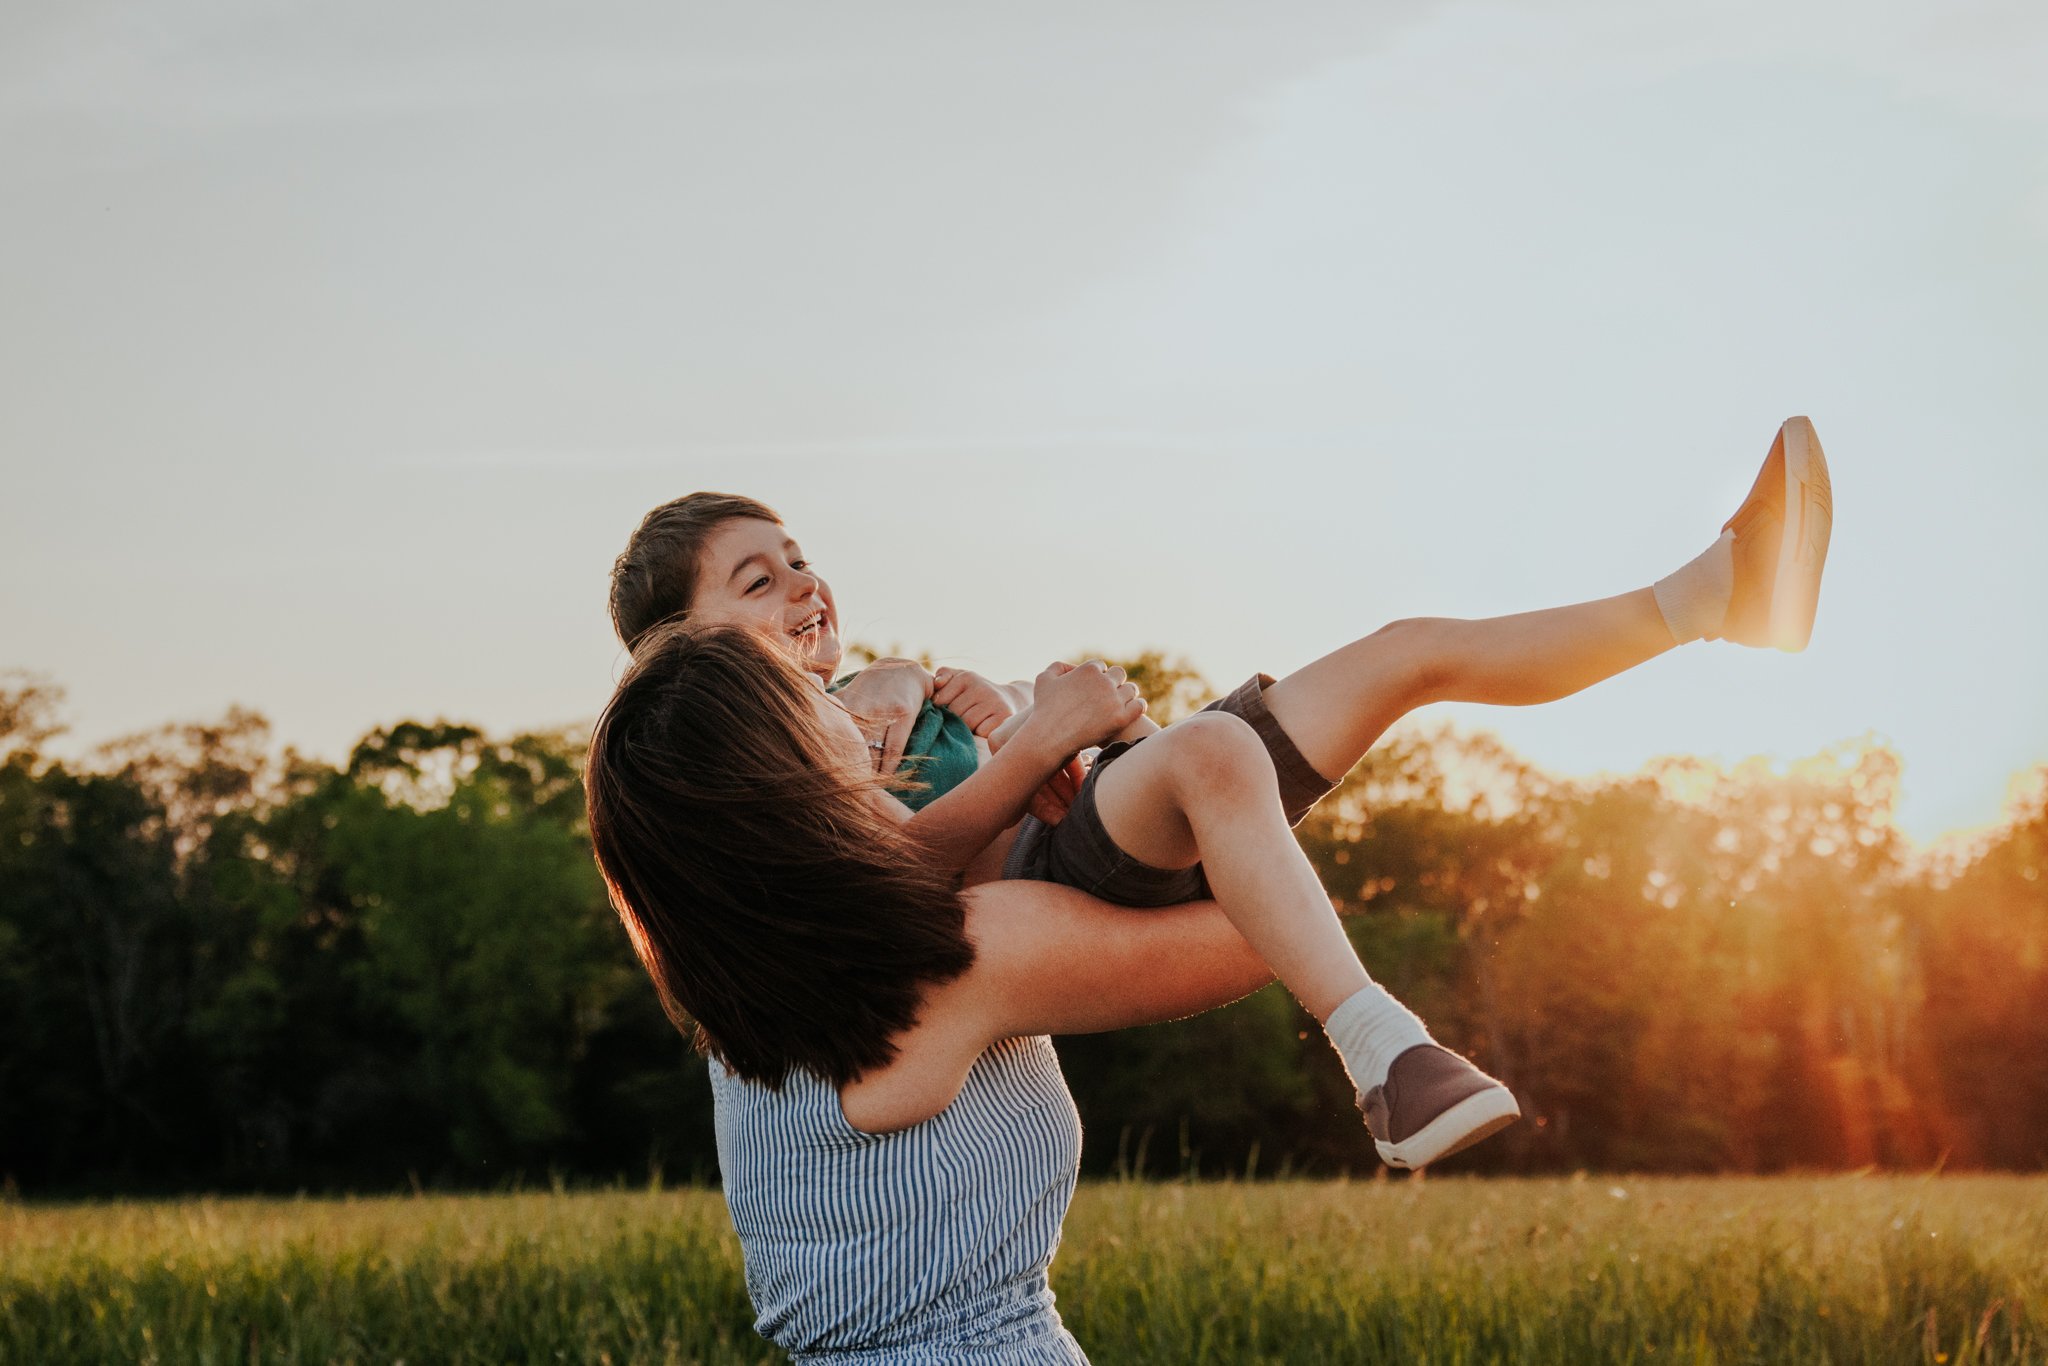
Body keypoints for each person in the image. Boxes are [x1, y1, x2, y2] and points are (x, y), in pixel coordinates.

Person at [590, 418, 1832, 1360]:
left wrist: (1001, 715)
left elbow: (879, 866)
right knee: (1222, 759)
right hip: (1034, 904)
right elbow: (885, 891)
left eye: (796, 562)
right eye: (753, 585)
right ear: (676, 659)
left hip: (1053, 868)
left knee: (1399, 655)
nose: (799, 593)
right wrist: (1063, 753)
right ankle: (1374, 1039)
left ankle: (1709, 597)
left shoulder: (738, 895)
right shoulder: (861, 918)